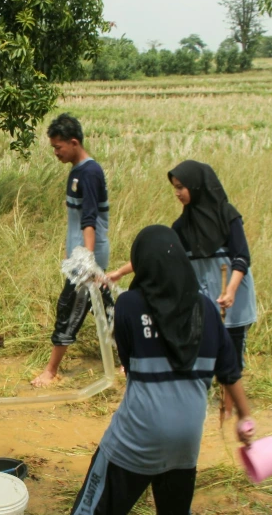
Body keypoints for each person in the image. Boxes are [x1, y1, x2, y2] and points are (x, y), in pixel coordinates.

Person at [20, 225, 255, 515]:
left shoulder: (130, 306)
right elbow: (230, 376)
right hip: (186, 441)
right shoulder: (209, 312)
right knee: (176, 511)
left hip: (137, 437)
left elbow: (128, 365)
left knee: (92, 513)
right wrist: (246, 423)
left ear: (143, 267)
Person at [106, 161, 256, 418]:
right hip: (204, 301)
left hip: (234, 296)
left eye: (181, 187)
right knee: (206, 351)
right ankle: (209, 404)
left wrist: (230, 290)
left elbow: (242, 257)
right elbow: (160, 255)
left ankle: (229, 408)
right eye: (175, 188)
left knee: (232, 353)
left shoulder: (227, 215)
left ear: (197, 185)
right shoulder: (181, 226)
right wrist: (120, 272)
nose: (177, 193)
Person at [32, 113, 113, 388]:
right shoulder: (78, 172)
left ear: (74, 142)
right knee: (106, 309)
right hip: (81, 255)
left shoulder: (89, 173)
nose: (55, 152)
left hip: (88, 257)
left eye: (58, 147)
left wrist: (87, 259)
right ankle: (131, 360)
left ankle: (51, 370)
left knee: (68, 307)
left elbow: (89, 219)